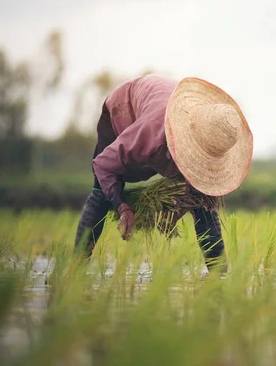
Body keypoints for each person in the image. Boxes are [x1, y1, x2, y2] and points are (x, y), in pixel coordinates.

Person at [74, 74, 253, 272]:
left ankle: (219, 273)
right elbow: (103, 165)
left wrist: (177, 206)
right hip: (124, 108)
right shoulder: (149, 132)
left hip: (162, 107)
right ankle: (76, 267)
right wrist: (123, 208)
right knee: (101, 194)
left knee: (203, 202)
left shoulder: (211, 129)